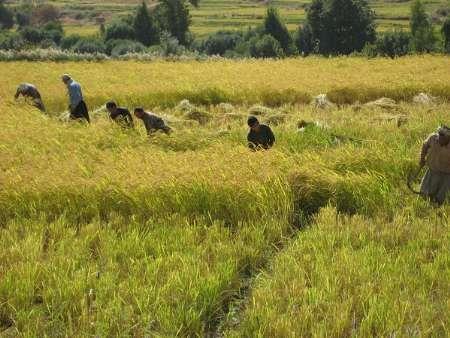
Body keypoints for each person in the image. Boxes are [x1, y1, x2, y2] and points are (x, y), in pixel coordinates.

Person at [419, 126, 450, 205]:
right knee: (423, 195)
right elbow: (425, 145)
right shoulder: (433, 138)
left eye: (443, 138)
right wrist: (422, 158)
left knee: (440, 199)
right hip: (432, 170)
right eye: (440, 136)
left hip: (446, 174)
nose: (440, 139)